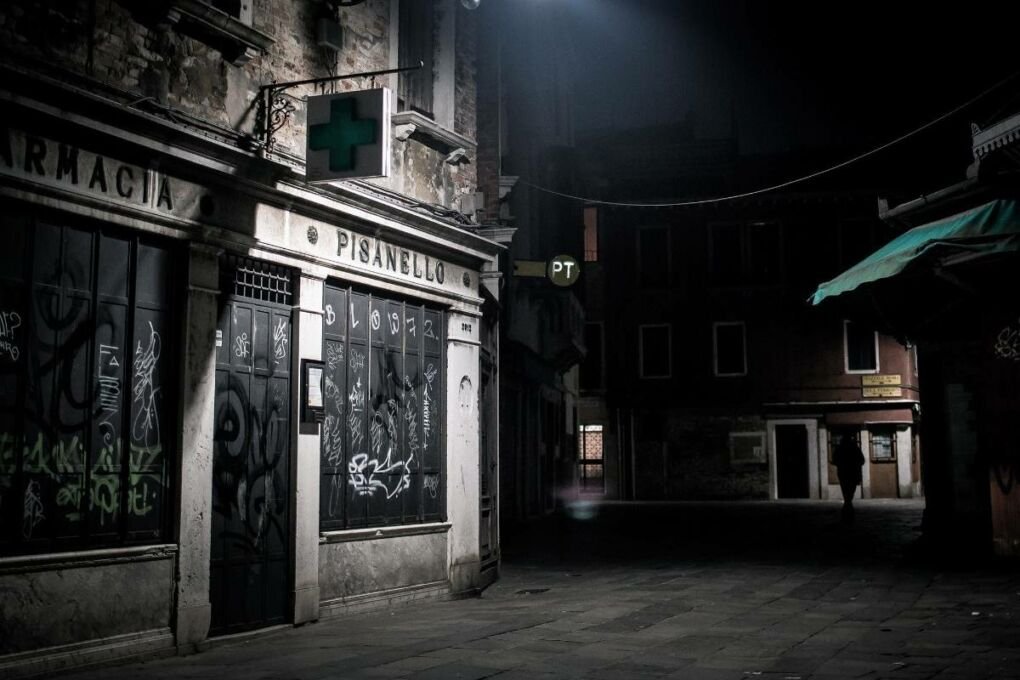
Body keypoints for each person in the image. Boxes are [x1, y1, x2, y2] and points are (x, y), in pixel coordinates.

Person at [834, 434, 865, 524]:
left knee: (846, 492)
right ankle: (848, 511)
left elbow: (834, 460)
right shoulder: (855, 448)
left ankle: (847, 511)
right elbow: (862, 461)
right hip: (853, 474)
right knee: (850, 493)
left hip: (843, 474)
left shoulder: (839, 449)